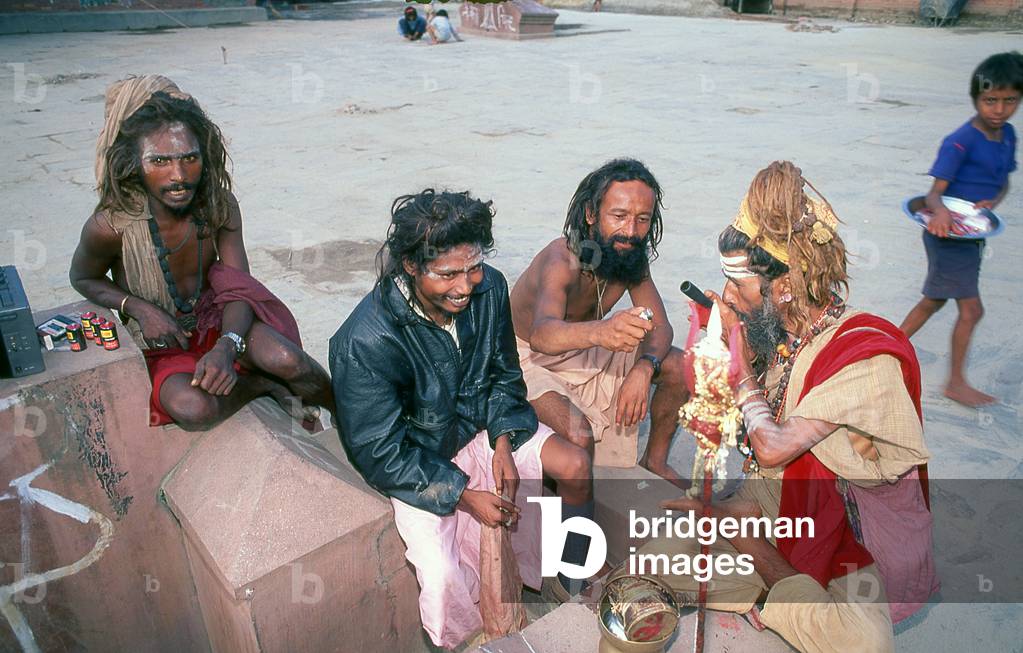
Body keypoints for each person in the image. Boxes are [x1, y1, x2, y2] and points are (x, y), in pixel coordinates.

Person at [639, 161, 936, 653]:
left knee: (866, 645)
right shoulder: (786, 335)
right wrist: (719, 342)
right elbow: (733, 425)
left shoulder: (864, 354)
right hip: (779, 504)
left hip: (849, 529)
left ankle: (759, 565)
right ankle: (767, 576)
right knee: (647, 571)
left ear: (783, 286)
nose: (730, 294)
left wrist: (738, 358)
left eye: (740, 283)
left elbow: (772, 447)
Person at [329, 190, 591, 649]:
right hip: (421, 462)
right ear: (410, 267)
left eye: (472, 267)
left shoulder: (489, 288)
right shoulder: (364, 341)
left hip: (481, 427)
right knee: (444, 575)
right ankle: (468, 640)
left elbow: (505, 376)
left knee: (574, 465)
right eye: (447, 274)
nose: (465, 285)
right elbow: (379, 452)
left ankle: (566, 576)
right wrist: (464, 495)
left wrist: (504, 439)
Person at [70, 75, 333, 430]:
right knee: (194, 409)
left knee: (290, 360)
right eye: (159, 161)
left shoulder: (218, 207)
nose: (178, 175)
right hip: (161, 341)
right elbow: (83, 277)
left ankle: (354, 418)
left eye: (189, 158)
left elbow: (239, 286)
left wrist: (228, 343)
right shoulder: (111, 225)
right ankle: (262, 386)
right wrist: (138, 308)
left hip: (218, 321)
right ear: (134, 164)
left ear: (204, 158)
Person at [510, 159, 689, 489]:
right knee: (580, 435)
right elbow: (541, 335)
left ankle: (656, 461)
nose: (631, 231)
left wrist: (643, 368)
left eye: (642, 219)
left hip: (586, 347)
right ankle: (572, 513)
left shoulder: (628, 254)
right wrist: (603, 332)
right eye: (619, 216)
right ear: (592, 215)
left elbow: (661, 326)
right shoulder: (562, 259)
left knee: (680, 366)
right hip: (527, 359)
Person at [899, 51, 1023, 407]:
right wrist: (938, 215)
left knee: (933, 301)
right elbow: (933, 194)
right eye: (990, 101)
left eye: (1009, 101)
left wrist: (991, 204)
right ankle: (955, 382)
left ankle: (885, 346)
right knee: (971, 310)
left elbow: (1002, 182)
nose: (999, 110)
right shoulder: (960, 141)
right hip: (946, 235)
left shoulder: (1009, 135)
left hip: (973, 234)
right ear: (976, 99)